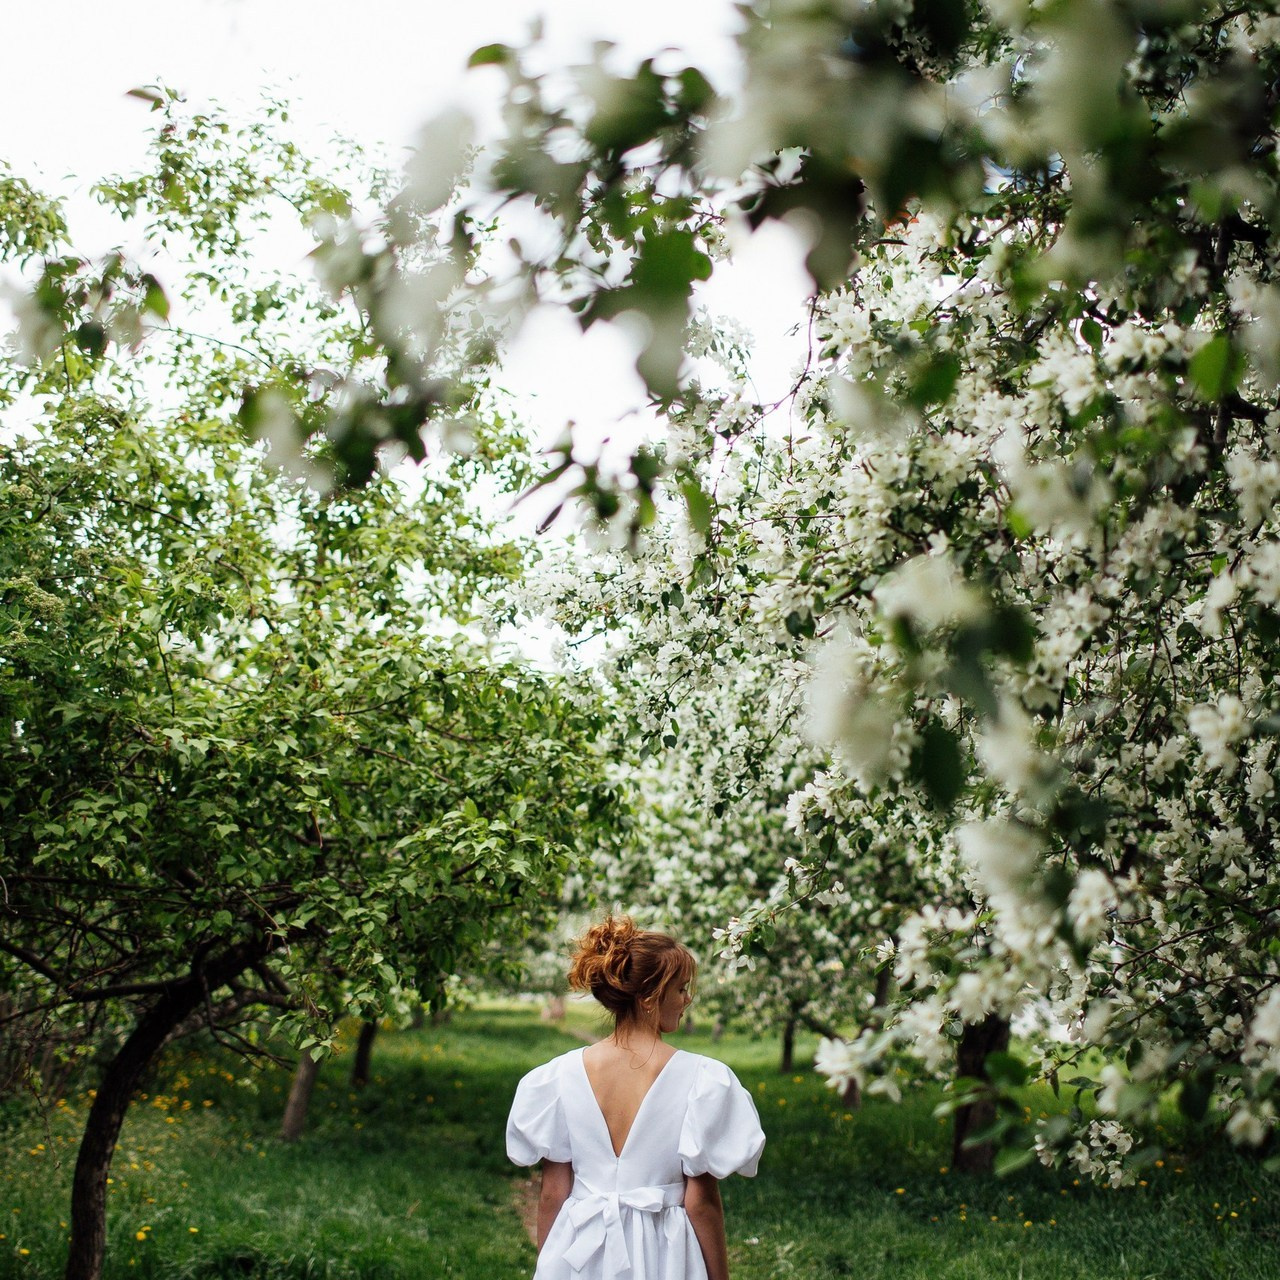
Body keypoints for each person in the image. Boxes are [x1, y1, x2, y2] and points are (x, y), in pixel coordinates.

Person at [506, 915, 765, 1280]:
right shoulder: (702, 1081)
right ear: (648, 997)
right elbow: (701, 1203)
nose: (686, 999)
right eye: (680, 989)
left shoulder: (557, 1078)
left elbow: (554, 1191)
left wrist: (547, 1266)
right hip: (666, 1254)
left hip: (580, 1249)